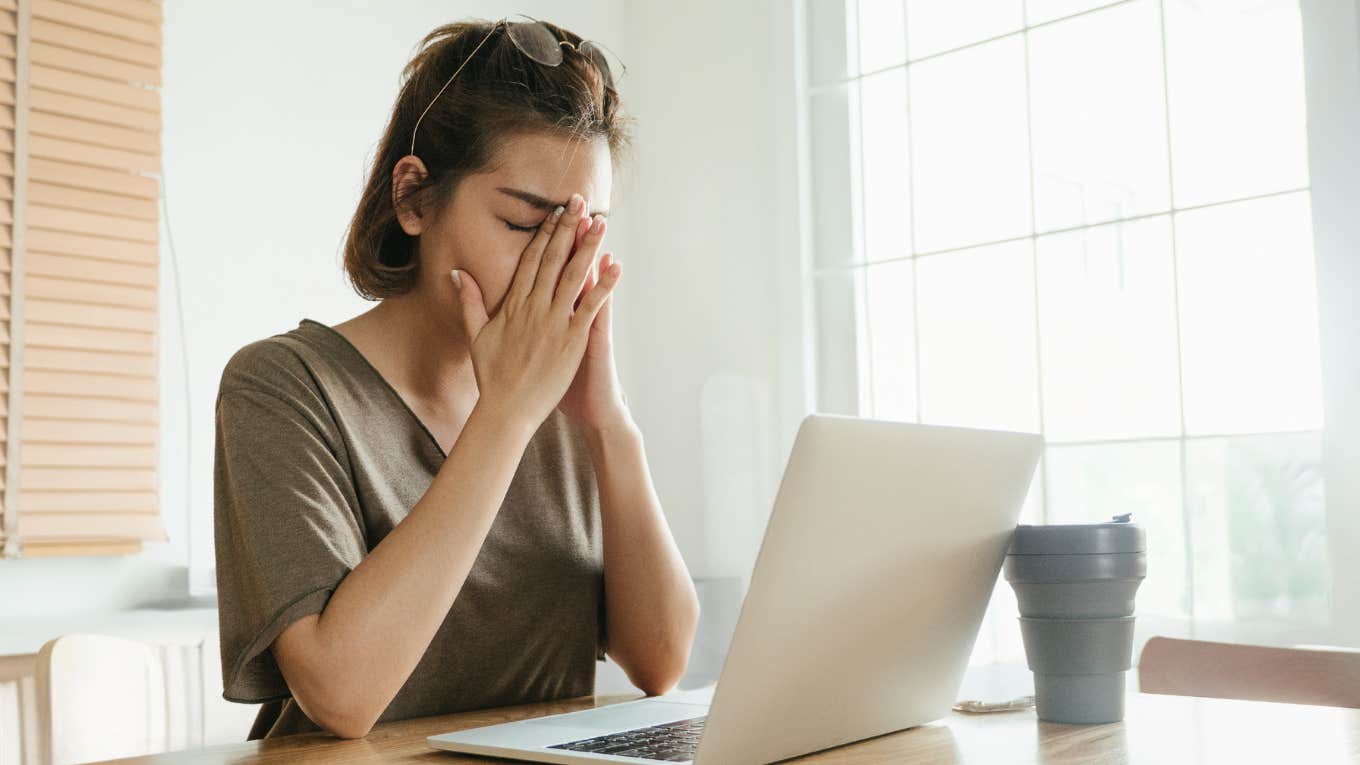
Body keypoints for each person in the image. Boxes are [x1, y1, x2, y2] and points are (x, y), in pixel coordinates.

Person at [212, 16, 699, 740]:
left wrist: (610, 423)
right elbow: (341, 694)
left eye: (584, 232)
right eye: (526, 225)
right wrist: (504, 415)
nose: (560, 268)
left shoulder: (566, 407)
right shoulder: (282, 384)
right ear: (413, 198)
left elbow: (659, 661)